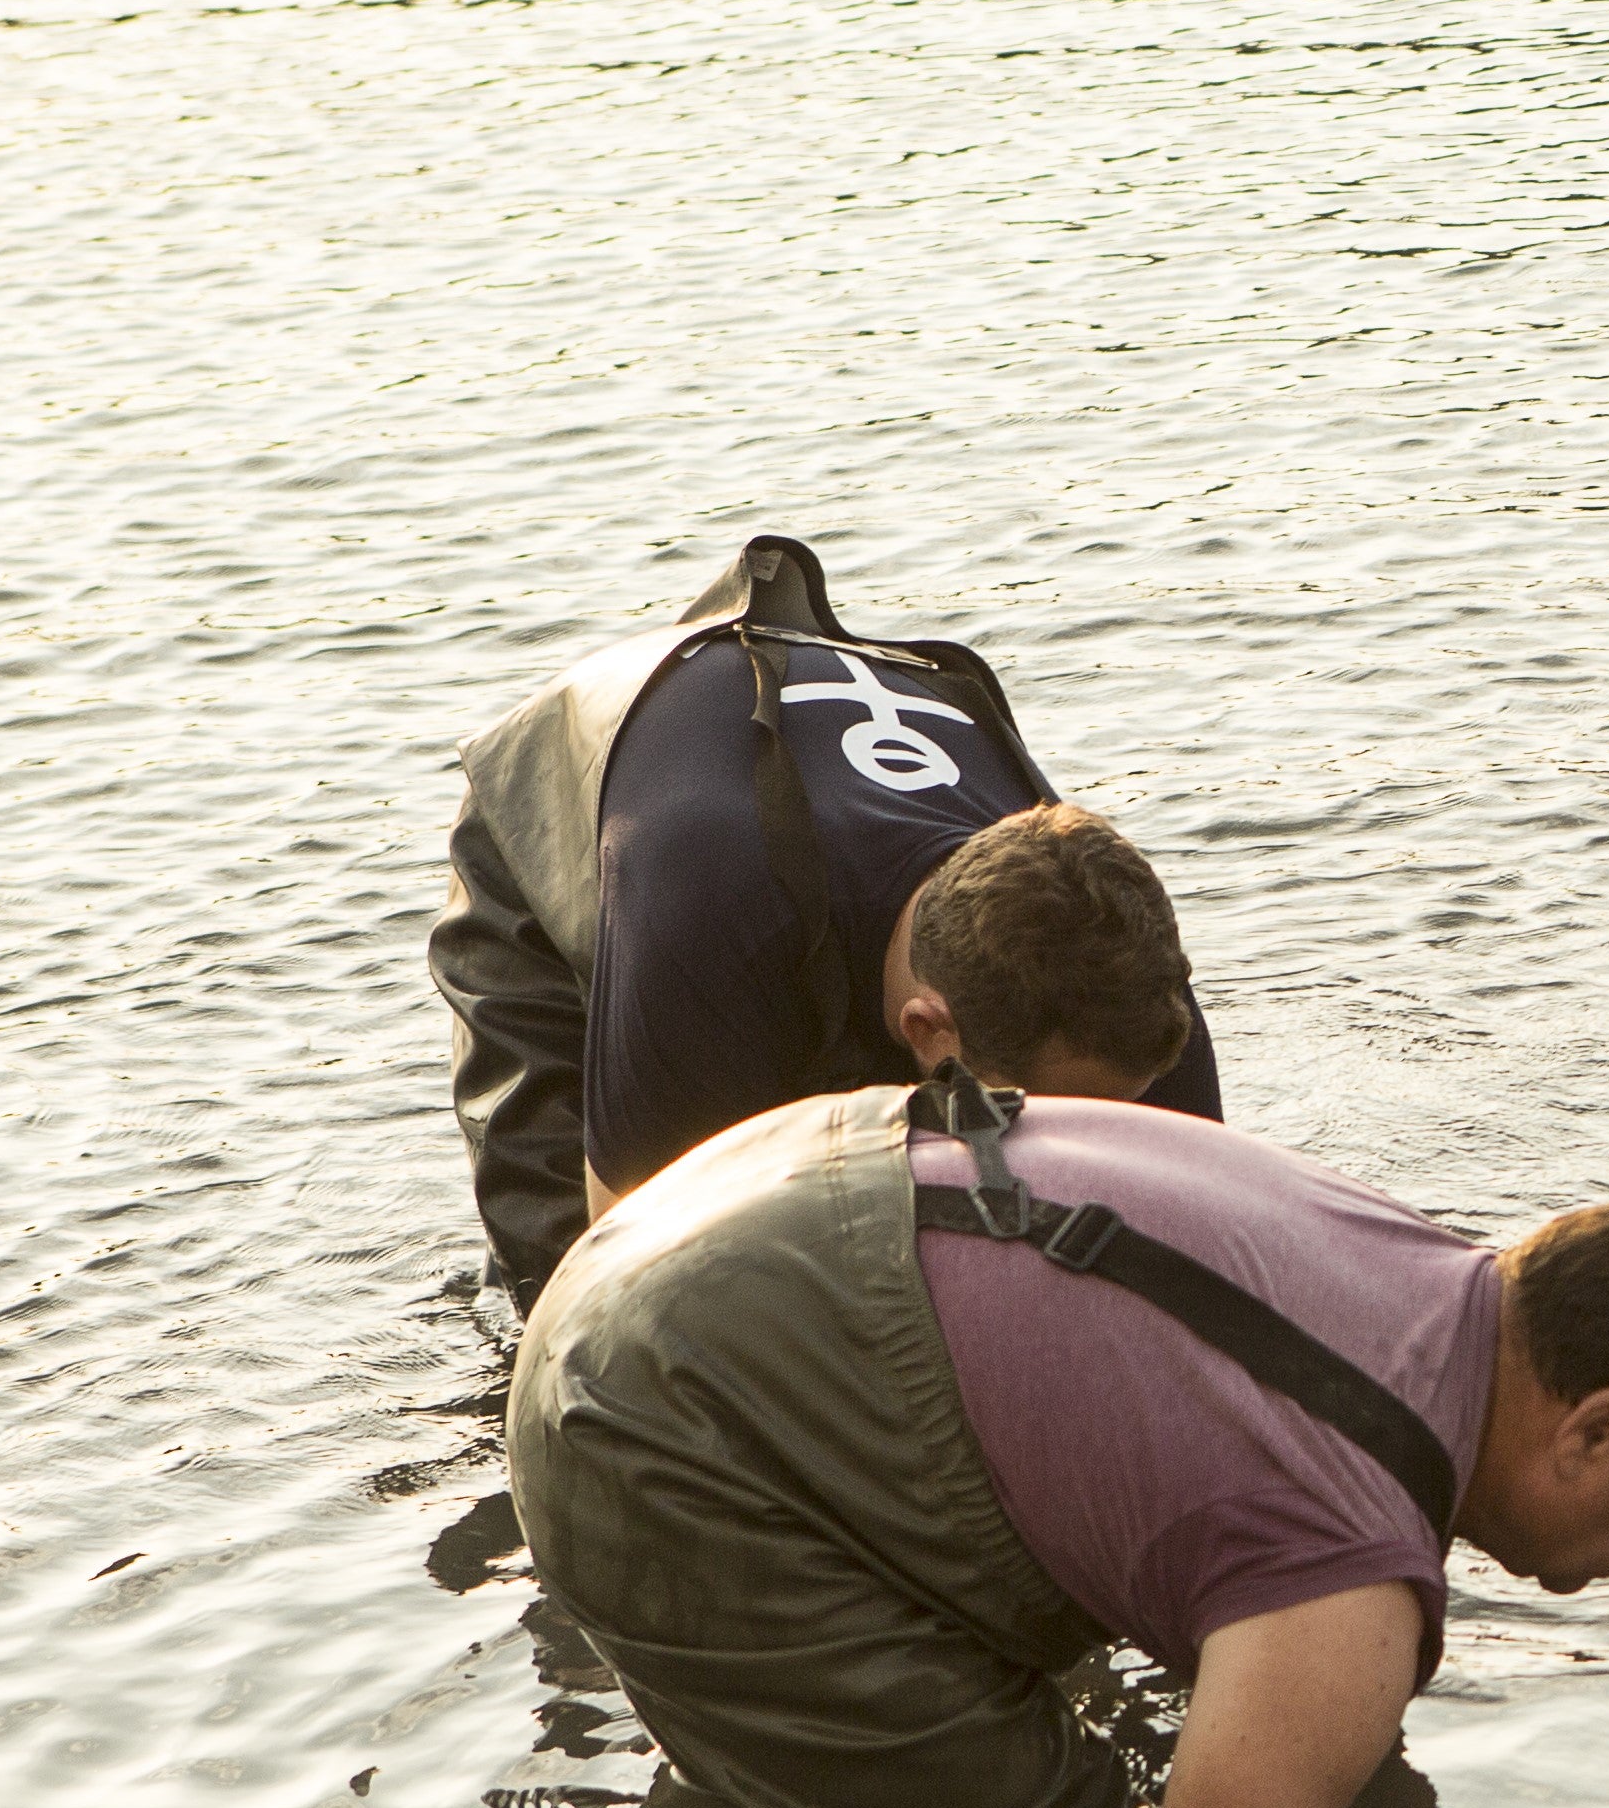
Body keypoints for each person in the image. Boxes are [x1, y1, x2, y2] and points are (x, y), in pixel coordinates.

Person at [505, 1036, 1609, 1808]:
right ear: (1598, 1427)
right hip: (653, 1422)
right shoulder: (1347, 1582)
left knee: (993, 1735)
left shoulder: (1404, 1268)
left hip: (713, 1215)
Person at [429, 532, 1225, 1307]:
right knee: (578, 1279)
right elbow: (629, 1291)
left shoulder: (1138, 997)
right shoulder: (707, 930)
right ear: (924, 1029)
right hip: (589, 790)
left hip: (829, 769)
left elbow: (1202, 1244)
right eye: (1051, 1116)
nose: (1087, 1141)